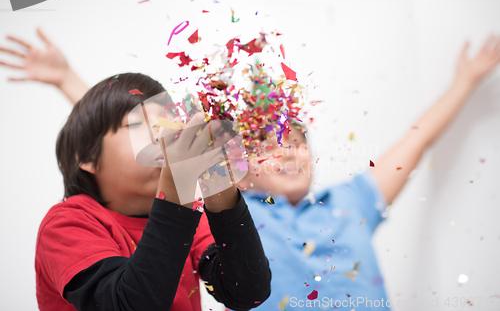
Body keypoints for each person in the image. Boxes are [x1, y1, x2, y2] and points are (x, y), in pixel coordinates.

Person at [3, 29, 499, 310]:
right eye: (263, 142)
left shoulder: (341, 205)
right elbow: (110, 138)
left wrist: (216, 189)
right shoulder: (82, 222)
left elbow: (246, 291)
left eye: (296, 139)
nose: (285, 151)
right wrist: (72, 82)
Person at [29, 71, 271, 310]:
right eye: (135, 123)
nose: (163, 134)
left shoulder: (192, 215)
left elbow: (247, 293)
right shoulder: (65, 224)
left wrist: (218, 180)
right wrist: (177, 186)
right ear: (87, 156)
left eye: (168, 122)